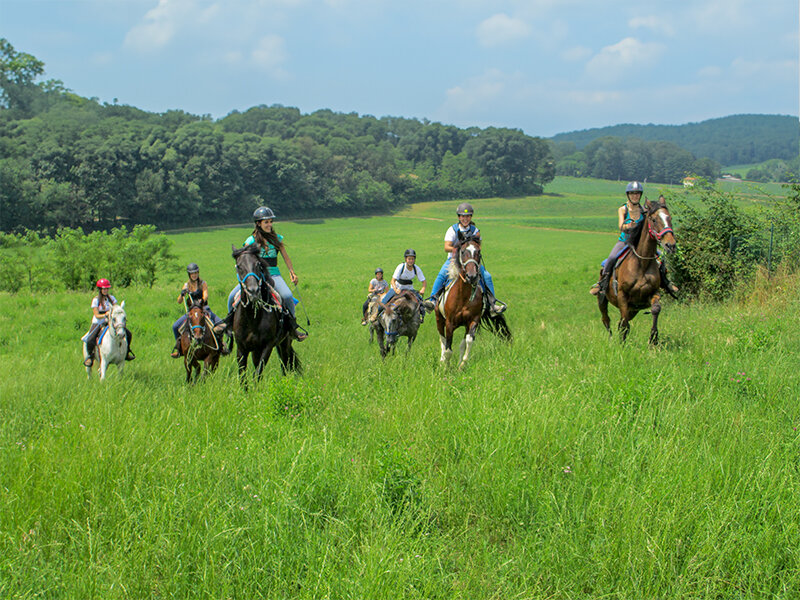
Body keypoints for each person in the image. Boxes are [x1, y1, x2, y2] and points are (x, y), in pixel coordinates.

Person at [227, 206, 307, 341]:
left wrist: (292, 272)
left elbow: (286, 257)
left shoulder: (277, 239)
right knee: (231, 297)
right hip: (256, 276)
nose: (269, 225)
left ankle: (293, 328)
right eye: (266, 222)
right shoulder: (250, 241)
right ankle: (229, 326)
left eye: (270, 221)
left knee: (287, 296)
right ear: (258, 224)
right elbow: (244, 259)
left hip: (274, 274)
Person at [589, 181, 679, 297]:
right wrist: (629, 226)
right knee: (611, 257)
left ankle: (666, 282)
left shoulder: (644, 210)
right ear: (628, 195)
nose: (635, 196)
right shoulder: (623, 209)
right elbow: (621, 226)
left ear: (640, 195)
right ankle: (601, 283)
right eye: (632, 193)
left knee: (661, 257)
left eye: (637, 194)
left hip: (639, 242)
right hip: (625, 241)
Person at [422, 202, 506, 315]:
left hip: (470, 260)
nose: (465, 219)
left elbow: (479, 245)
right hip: (454, 260)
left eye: (467, 216)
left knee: (487, 276)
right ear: (459, 217)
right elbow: (446, 247)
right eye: (462, 216)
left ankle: (492, 305)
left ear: (471, 217)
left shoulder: (475, 230)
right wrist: (457, 250)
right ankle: (432, 301)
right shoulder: (452, 229)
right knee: (442, 275)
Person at [170, 263, 229, 358]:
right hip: (192, 312)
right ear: (189, 274)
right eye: (192, 273)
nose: (194, 275)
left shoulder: (203, 283)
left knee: (221, 325)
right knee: (175, 326)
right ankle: (179, 349)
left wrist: (200, 301)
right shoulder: (186, 285)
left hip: (204, 309)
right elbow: (179, 301)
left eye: (196, 273)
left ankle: (221, 346)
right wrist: (182, 294)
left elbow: (206, 296)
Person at [82, 278, 135, 367]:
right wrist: (105, 315)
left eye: (107, 289)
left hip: (110, 322)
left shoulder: (112, 299)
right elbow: (96, 314)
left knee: (128, 334)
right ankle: (90, 357)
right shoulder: (96, 300)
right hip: (98, 322)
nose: (106, 290)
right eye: (104, 289)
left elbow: (116, 310)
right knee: (90, 339)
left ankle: (126, 352)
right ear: (100, 289)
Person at [380, 249, 427, 321]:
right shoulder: (401, 267)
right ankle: (376, 315)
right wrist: (396, 289)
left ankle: (420, 316)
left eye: (412, 259)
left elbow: (424, 281)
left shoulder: (416, 268)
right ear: (405, 259)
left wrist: (423, 289)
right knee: (384, 302)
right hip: (398, 287)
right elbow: (393, 281)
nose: (411, 261)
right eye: (409, 259)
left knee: (421, 303)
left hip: (409, 288)